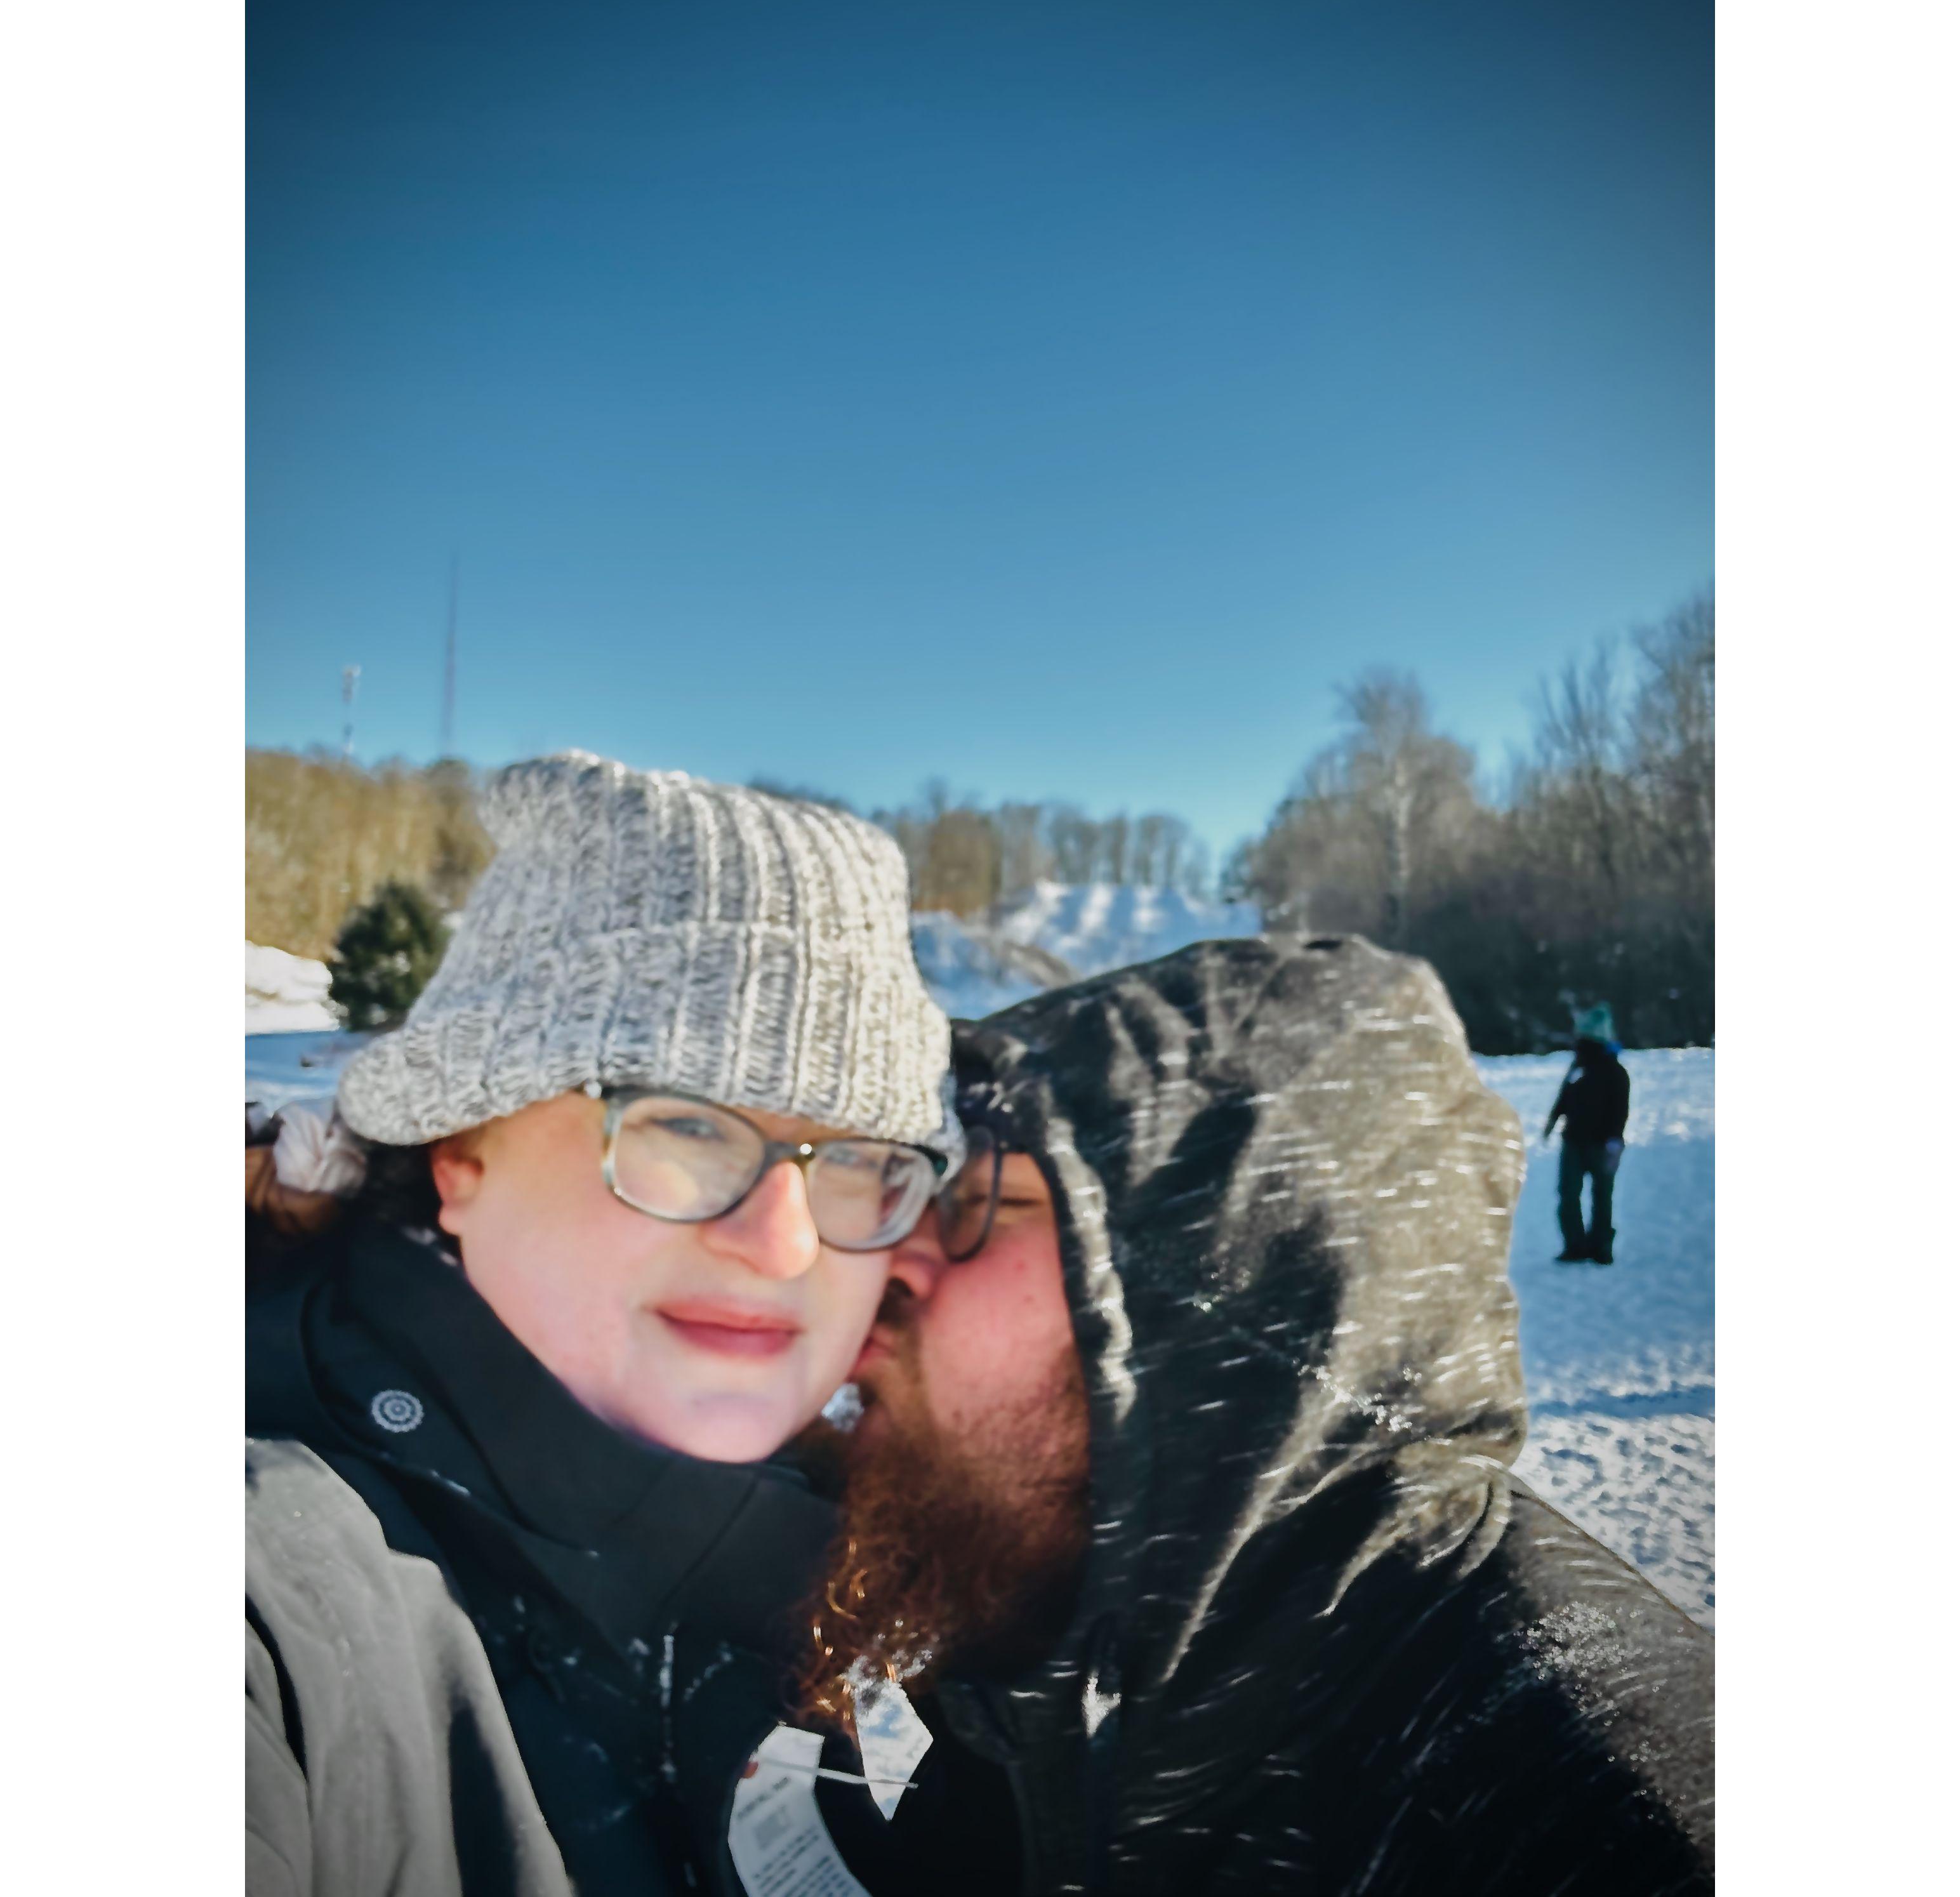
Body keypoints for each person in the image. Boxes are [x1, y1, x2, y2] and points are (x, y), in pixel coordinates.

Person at [797, 936, 1714, 1895]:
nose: (885, 1267)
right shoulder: (1083, 1641)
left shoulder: (1573, 1805)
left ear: (1228, 1298)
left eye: (985, 1202)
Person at [246, 751, 963, 1897]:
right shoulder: (277, 1583)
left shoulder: (916, 1570)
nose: (782, 1244)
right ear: (459, 1151)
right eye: (684, 1125)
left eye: (860, 1159)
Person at [1543, 1001, 1632, 1264]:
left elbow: (1620, 1110)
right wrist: (1552, 1120)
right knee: (1569, 1194)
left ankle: (1601, 1246)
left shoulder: (1615, 1072)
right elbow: (1565, 1096)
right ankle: (1575, 1246)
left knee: (1601, 1197)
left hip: (1603, 1145)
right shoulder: (1578, 1066)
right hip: (1573, 1142)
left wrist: (1615, 1140)